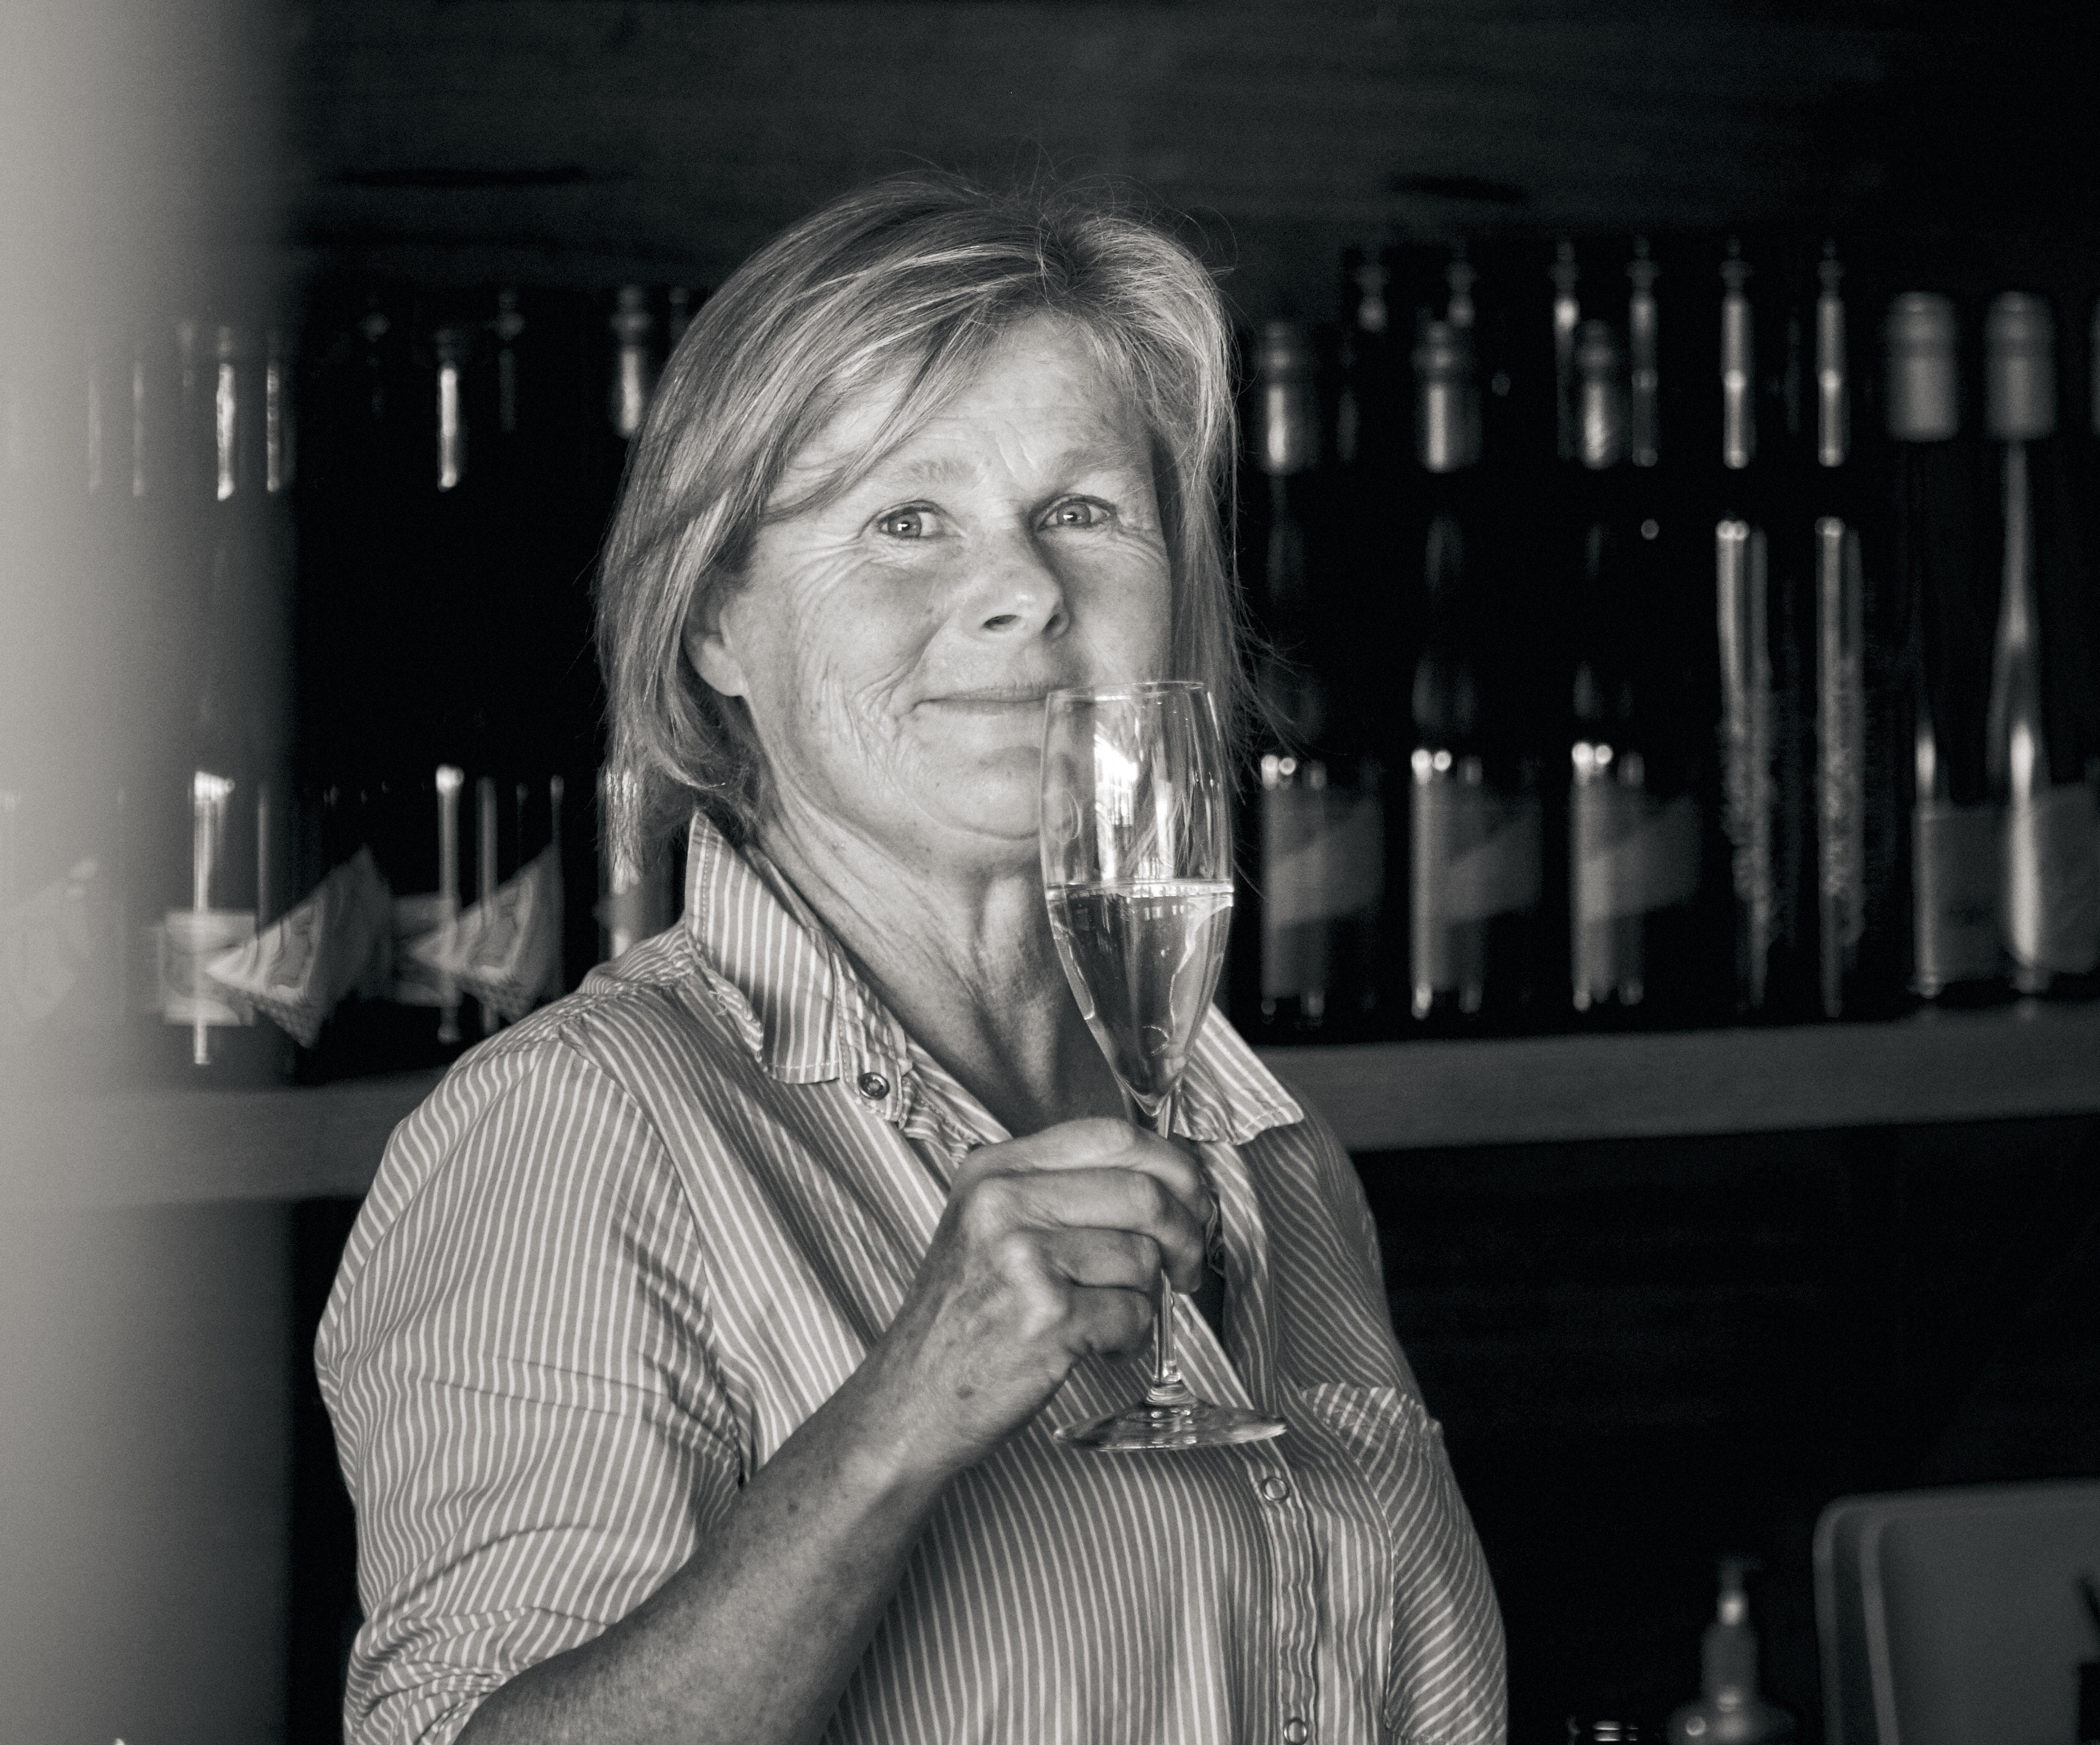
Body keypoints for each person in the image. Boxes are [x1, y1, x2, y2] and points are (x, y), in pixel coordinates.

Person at [317, 173, 1508, 1745]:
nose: (1023, 592)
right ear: (715, 624)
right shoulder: (572, 1134)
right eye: (905, 521)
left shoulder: (1273, 1159)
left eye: (1084, 512)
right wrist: (895, 1425)